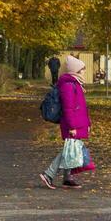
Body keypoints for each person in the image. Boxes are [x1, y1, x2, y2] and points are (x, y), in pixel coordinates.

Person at [40, 55, 91, 189]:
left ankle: (68, 178)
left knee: (71, 151)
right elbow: (68, 108)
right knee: (68, 151)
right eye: (82, 70)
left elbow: (82, 107)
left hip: (78, 124)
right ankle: (49, 174)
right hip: (72, 125)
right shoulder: (68, 85)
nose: (84, 72)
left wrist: (88, 124)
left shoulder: (76, 84)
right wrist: (72, 126)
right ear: (75, 71)